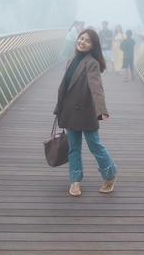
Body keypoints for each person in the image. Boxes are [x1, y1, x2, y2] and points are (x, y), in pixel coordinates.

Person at [53, 28, 118, 197]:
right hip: (69, 111)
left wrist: (101, 110)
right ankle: (75, 181)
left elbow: (96, 88)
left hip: (86, 111)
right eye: (81, 38)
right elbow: (65, 87)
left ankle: (110, 174)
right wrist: (58, 108)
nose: (82, 42)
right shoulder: (72, 59)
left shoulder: (92, 63)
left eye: (87, 41)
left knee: (94, 145)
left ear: (92, 46)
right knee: (73, 148)